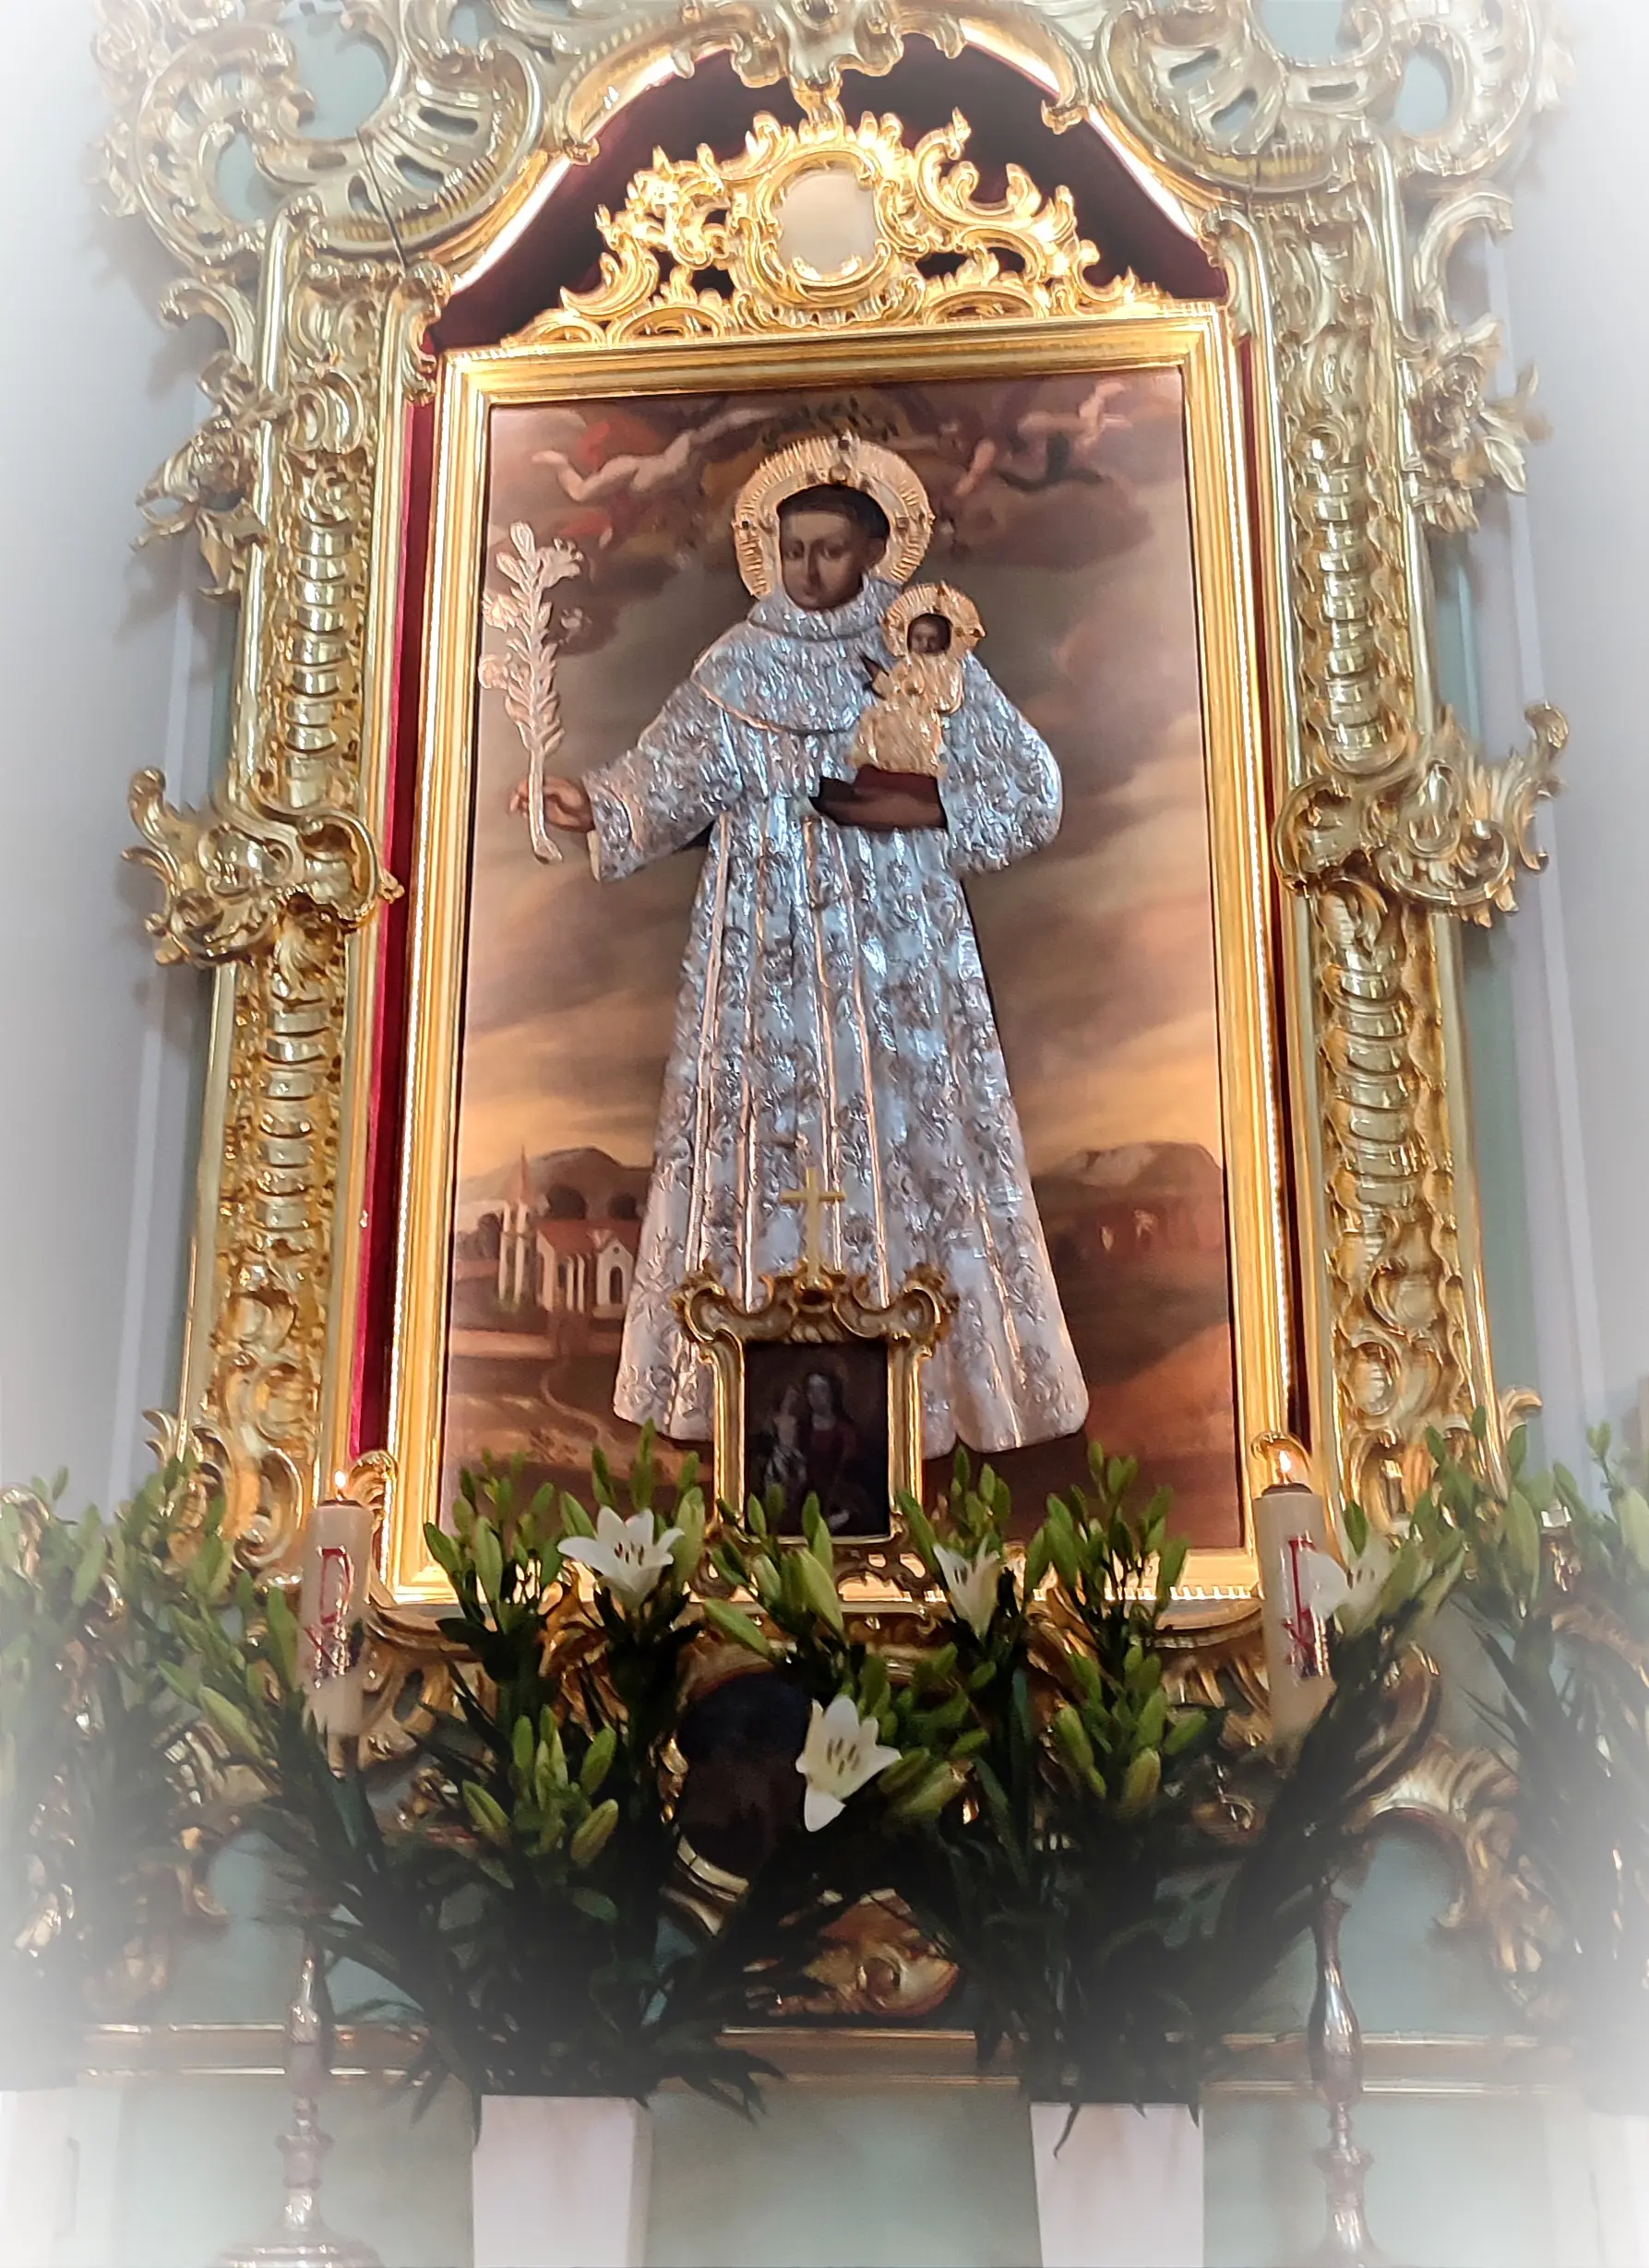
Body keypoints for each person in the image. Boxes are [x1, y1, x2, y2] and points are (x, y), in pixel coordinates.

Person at [514, 432, 1088, 1457]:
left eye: (829, 549)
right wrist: (593, 805)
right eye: (793, 550)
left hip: (897, 955)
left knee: (911, 1132)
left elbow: (1030, 791)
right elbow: (663, 778)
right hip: (765, 957)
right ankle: (747, 1399)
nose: (810, 569)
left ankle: (938, 1399)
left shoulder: (921, 655)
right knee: (762, 1136)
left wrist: (920, 806)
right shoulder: (736, 665)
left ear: (871, 550)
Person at [845, 581, 985, 782]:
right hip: (895, 717)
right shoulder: (906, 665)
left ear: (944, 641)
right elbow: (891, 688)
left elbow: (948, 699)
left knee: (917, 741)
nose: (925, 644)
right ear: (908, 638)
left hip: (923, 723)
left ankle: (916, 775)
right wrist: (875, 673)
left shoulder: (947, 667)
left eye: (932, 639)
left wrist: (922, 695)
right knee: (874, 723)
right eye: (919, 638)